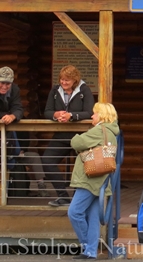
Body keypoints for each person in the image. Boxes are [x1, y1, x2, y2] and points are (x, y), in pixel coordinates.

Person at [0, 66, 47, 197]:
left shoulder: (15, 89)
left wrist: (13, 116)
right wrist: (6, 116)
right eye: (2, 83)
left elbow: (19, 108)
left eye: (8, 83)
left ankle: (39, 186)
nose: (5, 86)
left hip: (9, 137)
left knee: (28, 158)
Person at [68, 102, 120, 260]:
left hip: (90, 180)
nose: (92, 116)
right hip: (102, 179)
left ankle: (87, 245)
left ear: (102, 115)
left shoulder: (99, 130)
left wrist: (78, 138)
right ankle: (90, 252)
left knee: (74, 212)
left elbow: (75, 143)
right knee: (93, 217)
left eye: (95, 113)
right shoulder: (112, 132)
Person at [43, 65, 95, 207]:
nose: (63, 83)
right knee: (47, 160)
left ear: (75, 80)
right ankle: (62, 196)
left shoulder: (84, 90)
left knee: (86, 165)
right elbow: (47, 111)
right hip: (61, 135)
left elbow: (90, 112)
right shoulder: (54, 90)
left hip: (81, 136)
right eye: (62, 79)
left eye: (67, 80)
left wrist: (71, 115)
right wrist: (56, 115)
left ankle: (79, 200)